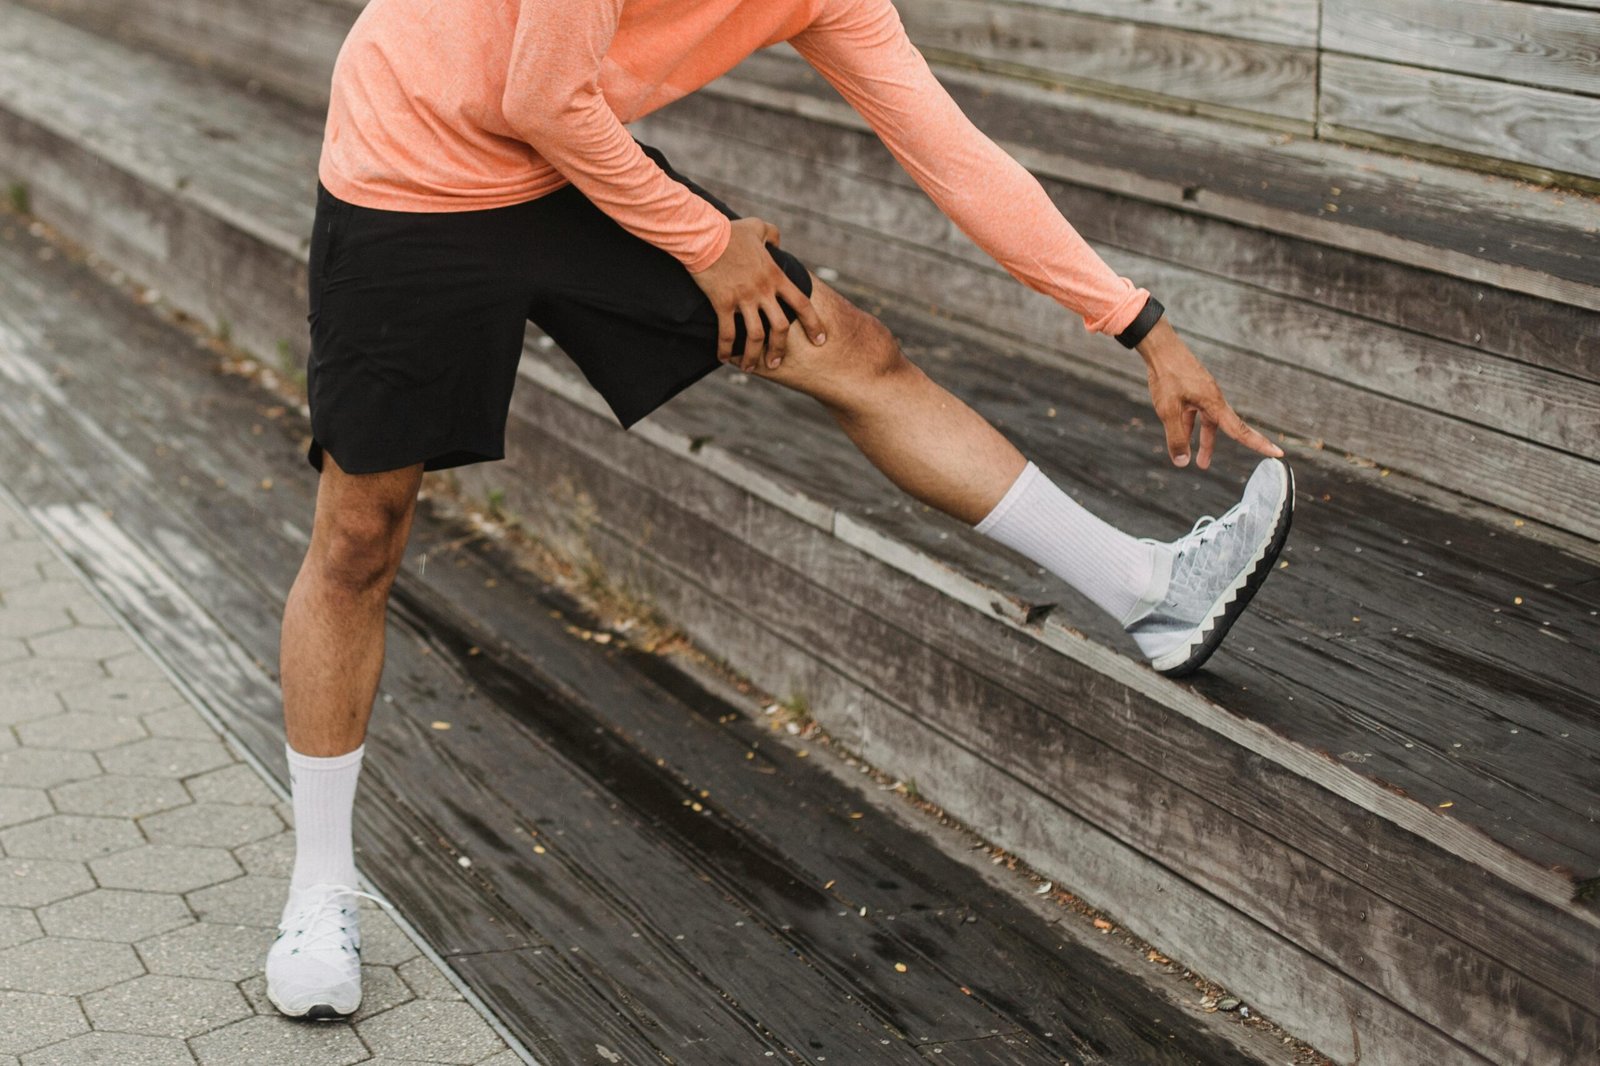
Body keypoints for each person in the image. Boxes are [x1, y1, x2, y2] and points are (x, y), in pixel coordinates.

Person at [265, 0, 1295, 1020]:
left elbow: (952, 153)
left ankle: (1149, 591)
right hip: (411, 168)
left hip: (566, 164)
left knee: (855, 351)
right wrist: (709, 243)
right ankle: (320, 889)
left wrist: (1138, 324)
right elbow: (532, 94)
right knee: (362, 533)